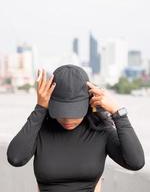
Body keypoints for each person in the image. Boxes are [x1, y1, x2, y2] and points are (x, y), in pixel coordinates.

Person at [7, 64, 145, 192]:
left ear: (89, 101)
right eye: (62, 112)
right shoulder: (40, 130)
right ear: (51, 103)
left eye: (75, 113)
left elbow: (136, 162)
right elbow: (16, 158)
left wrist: (118, 113)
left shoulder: (101, 130)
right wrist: (40, 108)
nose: (68, 120)